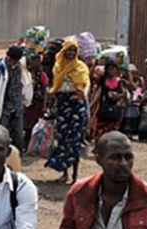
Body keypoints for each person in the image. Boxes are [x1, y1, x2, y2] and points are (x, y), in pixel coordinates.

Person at [45, 39, 90, 185]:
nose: (71, 53)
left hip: (76, 104)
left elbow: (85, 85)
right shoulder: (58, 67)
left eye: (74, 51)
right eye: (68, 50)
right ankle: (65, 173)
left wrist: (80, 90)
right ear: (63, 51)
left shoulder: (81, 67)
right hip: (62, 104)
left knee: (75, 140)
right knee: (63, 139)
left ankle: (75, 175)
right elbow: (55, 86)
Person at [0, 45, 26, 153]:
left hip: (17, 106)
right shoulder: (0, 69)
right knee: (2, 132)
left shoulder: (20, 68)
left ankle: (18, 154)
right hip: (5, 106)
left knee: (18, 134)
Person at [91, 63, 126, 142]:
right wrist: (94, 65)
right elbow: (91, 76)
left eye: (114, 69)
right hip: (103, 107)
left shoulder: (119, 81)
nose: (112, 71)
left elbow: (124, 93)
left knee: (112, 129)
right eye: (110, 69)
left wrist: (117, 96)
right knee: (100, 129)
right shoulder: (103, 80)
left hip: (114, 108)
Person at [23, 50, 48, 150]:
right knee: (26, 126)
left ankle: (31, 146)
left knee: (34, 126)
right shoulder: (25, 73)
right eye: (33, 59)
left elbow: (44, 90)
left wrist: (45, 105)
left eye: (37, 60)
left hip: (37, 104)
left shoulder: (42, 75)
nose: (35, 62)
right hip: (26, 104)